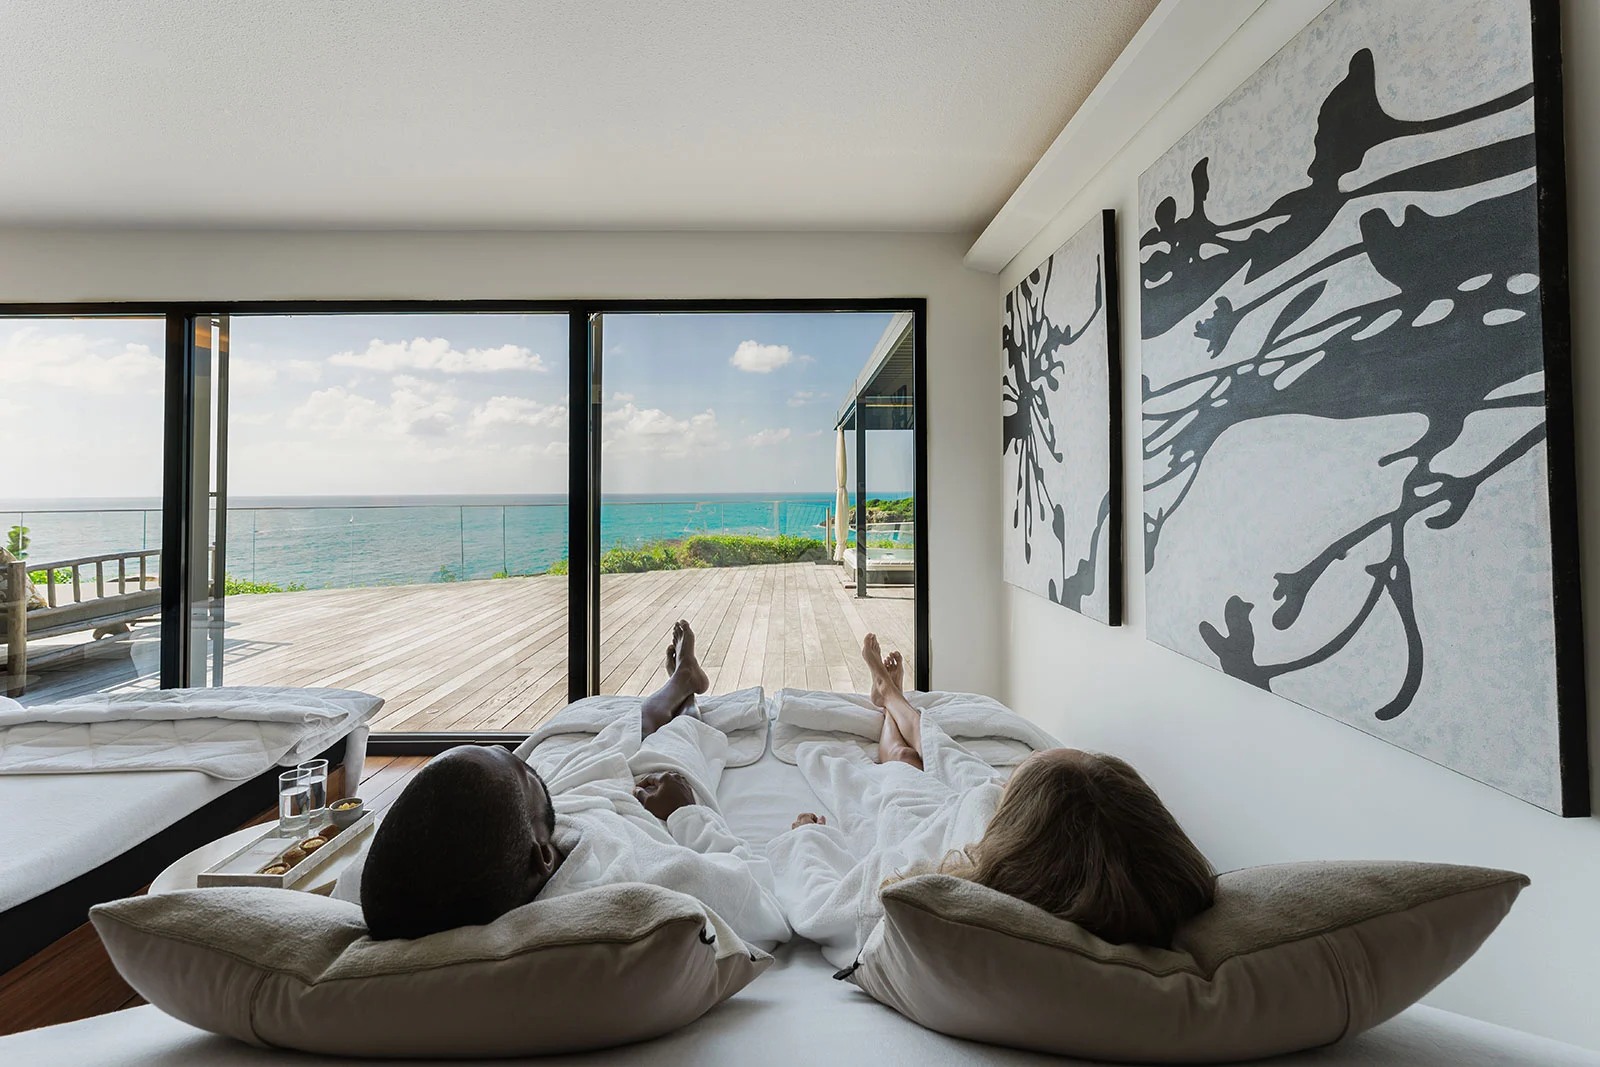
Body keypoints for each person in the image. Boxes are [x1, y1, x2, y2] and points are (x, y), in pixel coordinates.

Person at [770, 634, 1215, 968]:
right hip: (996, 809)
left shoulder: (936, 884)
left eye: (1021, 773)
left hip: (948, 818)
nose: (1028, 759)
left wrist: (808, 839)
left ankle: (887, 699)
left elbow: (826, 905)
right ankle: (893, 698)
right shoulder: (1138, 868)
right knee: (943, 752)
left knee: (903, 761)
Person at [354, 621, 790, 947]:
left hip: (570, 804)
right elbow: (760, 903)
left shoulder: (388, 886)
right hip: (644, 809)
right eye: (524, 771)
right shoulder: (648, 886)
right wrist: (684, 813)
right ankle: (686, 701)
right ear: (541, 852)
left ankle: (679, 683)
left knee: (616, 738)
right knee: (675, 745)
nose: (523, 759)